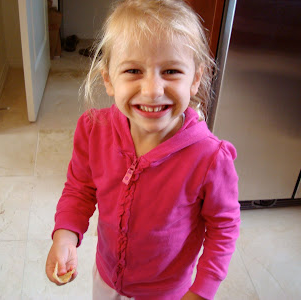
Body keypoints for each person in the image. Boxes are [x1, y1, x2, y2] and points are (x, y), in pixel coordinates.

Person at [45, 0, 240, 299]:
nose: (152, 90)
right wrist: (65, 235)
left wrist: (202, 290)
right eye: (134, 70)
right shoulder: (94, 130)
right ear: (109, 79)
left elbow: (223, 228)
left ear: (195, 79)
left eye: (172, 71)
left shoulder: (210, 158)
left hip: (167, 291)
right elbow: (80, 189)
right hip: (107, 277)